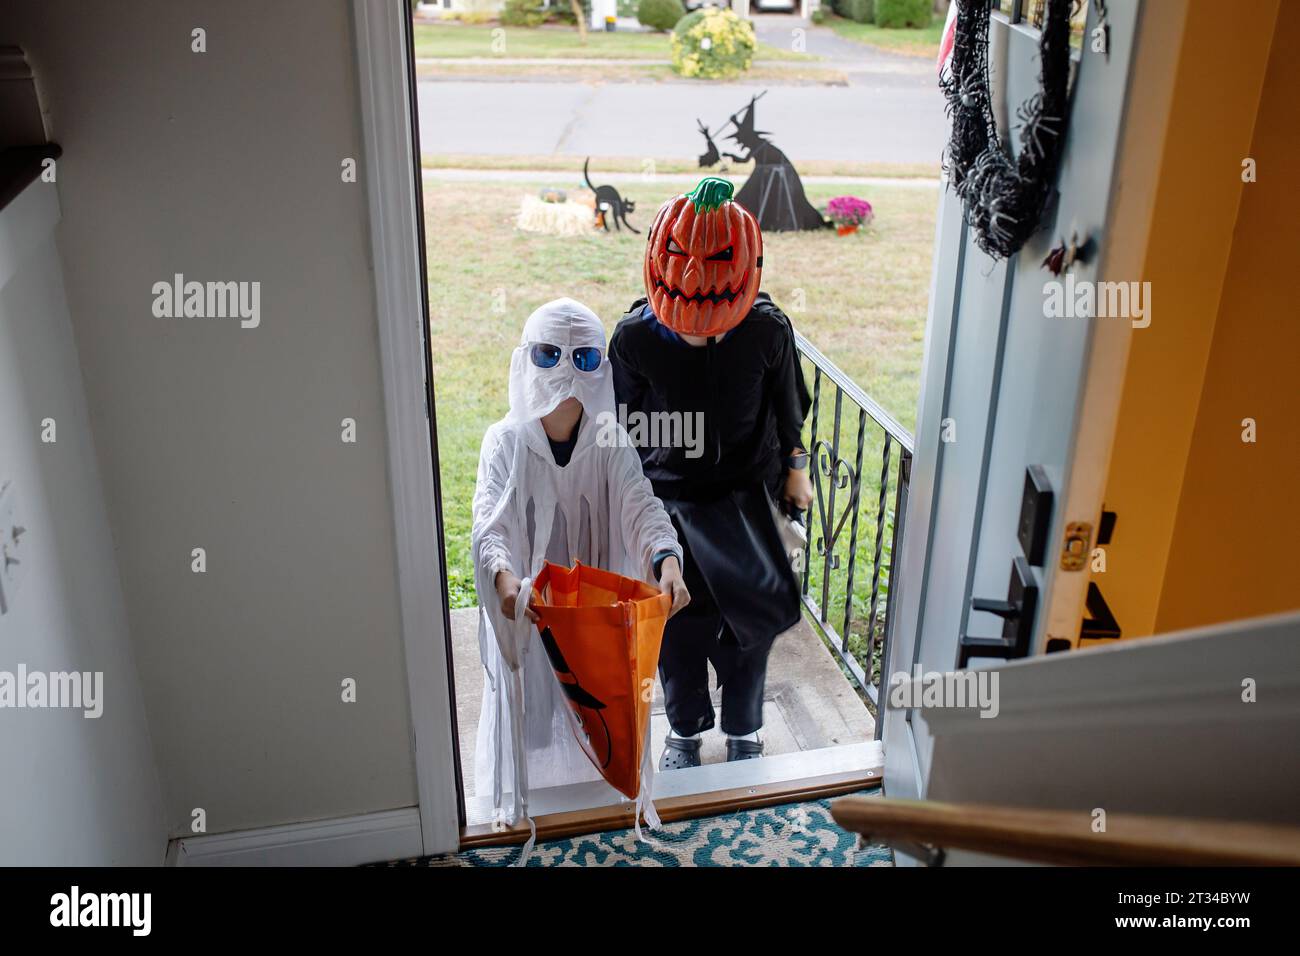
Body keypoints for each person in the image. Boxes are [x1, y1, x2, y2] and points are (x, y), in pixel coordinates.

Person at [610, 178, 812, 769]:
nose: (698, 283)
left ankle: (745, 728)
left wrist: (796, 468)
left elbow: (788, 406)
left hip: (748, 499)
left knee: (748, 627)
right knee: (679, 631)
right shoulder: (634, 340)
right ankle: (684, 730)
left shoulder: (767, 333)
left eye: (718, 262)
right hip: (670, 507)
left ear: (745, 270)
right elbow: (620, 429)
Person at [471, 297, 689, 834]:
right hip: (531, 612)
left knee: (598, 713)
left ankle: (599, 810)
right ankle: (533, 815)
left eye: (583, 359)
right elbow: (489, 522)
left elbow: (641, 504)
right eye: (549, 355)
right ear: (527, 361)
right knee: (537, 715)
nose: (566, 374)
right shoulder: (505, 443)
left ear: (601, 369)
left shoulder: (610, 442)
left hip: (594, 618)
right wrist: (503, 578)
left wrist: (666, 561)